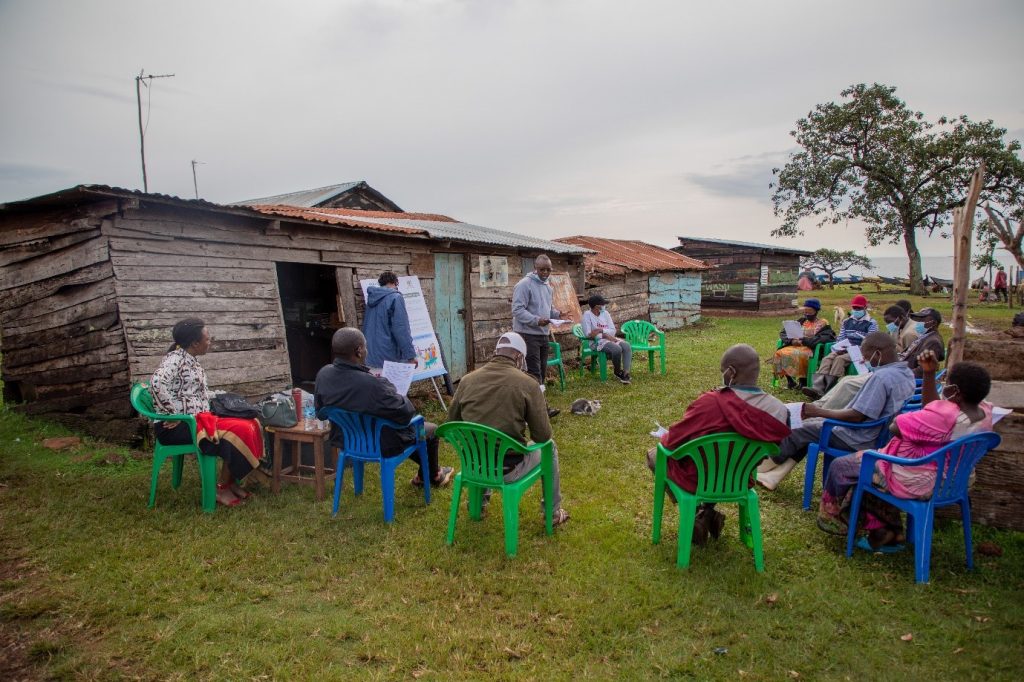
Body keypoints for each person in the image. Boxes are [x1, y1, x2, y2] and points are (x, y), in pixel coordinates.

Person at [816, 350, 993, 550]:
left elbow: (896, 427)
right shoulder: (984, 413)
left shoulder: (945, 417)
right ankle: (886, 533)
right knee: (869, 470)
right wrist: (928, 374)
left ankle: (835, 520)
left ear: (956, 392)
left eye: (947, 383)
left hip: (920, 478)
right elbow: (933, 409)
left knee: (843, 467)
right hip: (957, 480)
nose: (944, 387)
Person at [645, 344, 791, 545]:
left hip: (700, 477)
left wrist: (666, 438)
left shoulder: (710, 402)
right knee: (722, 461)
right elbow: (769, 450)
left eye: (723, 372)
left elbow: (672, 443)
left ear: (731, 372)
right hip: (739, 477)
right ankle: (706, 514)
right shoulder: (780, 411)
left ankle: (698, 514)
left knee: (655, 454)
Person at [757, 332, 916, 491]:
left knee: (800, 428)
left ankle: (758, 469)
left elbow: (857, 416)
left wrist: (818, 411)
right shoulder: (906, 373)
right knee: (811, 429)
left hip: (859, 437)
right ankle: (774, 476)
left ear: (878, 353)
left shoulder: (881, 378)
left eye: (866, 356)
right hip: (879, 435)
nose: (864, 360)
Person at [447, 332, 570, 526]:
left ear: (496, 352)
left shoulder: (467, 380)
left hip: (474, 464)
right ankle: (553, 513)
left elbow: (451, 423)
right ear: (520, 357)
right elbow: (542, 436)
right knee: (550, 447)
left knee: (483, 444)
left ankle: (477, 505)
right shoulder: (528, 384)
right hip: (509, 468)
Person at [315, 328, 453, 488]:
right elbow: (406, 414)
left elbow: (321, 413)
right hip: (380, 443)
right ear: (359, 351)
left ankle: (430, 474)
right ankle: (432, 474)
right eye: (365, 346)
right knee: (430, 430)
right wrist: (393, 391)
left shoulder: (323, 375)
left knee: (403, 432)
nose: (366, 350)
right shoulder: (372, 384)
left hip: (347, 440)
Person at [149, 318, 264, 507]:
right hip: (177, 427)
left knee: (250, 422)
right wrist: (171, 414)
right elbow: (156, 384)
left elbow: (192, 392)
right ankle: (220, 489)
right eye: (208, 339)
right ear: (195, 343)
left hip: (198, 419)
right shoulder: (175, 360)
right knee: (237, 430)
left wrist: (221, 396)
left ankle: (229, 482)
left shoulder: (189, 359)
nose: (210, 342)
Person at [512, 254, 561, 417]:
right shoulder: (524, 285)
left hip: (543, 334)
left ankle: (532, 406)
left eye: (548, 269)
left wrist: (558, 314)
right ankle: (542, 409)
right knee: (534, 372)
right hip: (527, 334)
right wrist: (536, 320)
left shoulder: (548, 286)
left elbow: (548, 308)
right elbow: (517, 310)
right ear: (535, 268)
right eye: (542, 269)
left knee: (541, 369)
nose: (545, 272)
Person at [805, 294, 878, 398]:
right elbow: (841, 338)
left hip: (860, 351)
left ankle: (830, 390)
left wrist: (852, 349)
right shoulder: (847, 321)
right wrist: (840, 347)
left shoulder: (871, 323)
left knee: (839, 360)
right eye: (854, 308)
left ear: (865, 308)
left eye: (859, 308)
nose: (856, 310)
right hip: (845, 348)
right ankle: (818, 388)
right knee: (827, 359)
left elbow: (871, 341)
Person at [771, 298, 835, 389]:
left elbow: (823, 339)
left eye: (810, 311)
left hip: (811, 349)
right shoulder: (801, 321)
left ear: (816, 311)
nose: (807, 314)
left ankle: (803, 381)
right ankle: (790, 381)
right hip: (795, 346)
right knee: (780, 353)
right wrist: (792, 341)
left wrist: (804, 340)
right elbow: (783, 333)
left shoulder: (823, 324)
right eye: (805, 311)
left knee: (797, 355)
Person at [363, 271, 416, 371]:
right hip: (388, 356)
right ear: (395, 283)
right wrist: (411, 356)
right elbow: (401, 329)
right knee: (391, 386)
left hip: (370, 355)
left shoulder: (372, 299)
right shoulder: (396, 297)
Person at [581, 293, 632, 384]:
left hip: (609, 338)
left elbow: (613, 330)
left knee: (626, 346)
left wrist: (601, 330)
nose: (604, 306)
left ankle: (626, 373)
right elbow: (588, 335)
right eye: (603, 304)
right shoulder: (587, 315)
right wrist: (603, 335)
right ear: (597, 306)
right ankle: (617, 372)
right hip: (596, 342)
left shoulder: (606, 314)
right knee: (617, 349)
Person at [900, 307, 945, 377]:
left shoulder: (933, 342)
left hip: (908, 379)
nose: (918, 322)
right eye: (918, 320)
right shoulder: (924, 336)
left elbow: (923, 370)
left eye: (922, 320)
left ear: (934, 323)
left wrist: (900, 375)